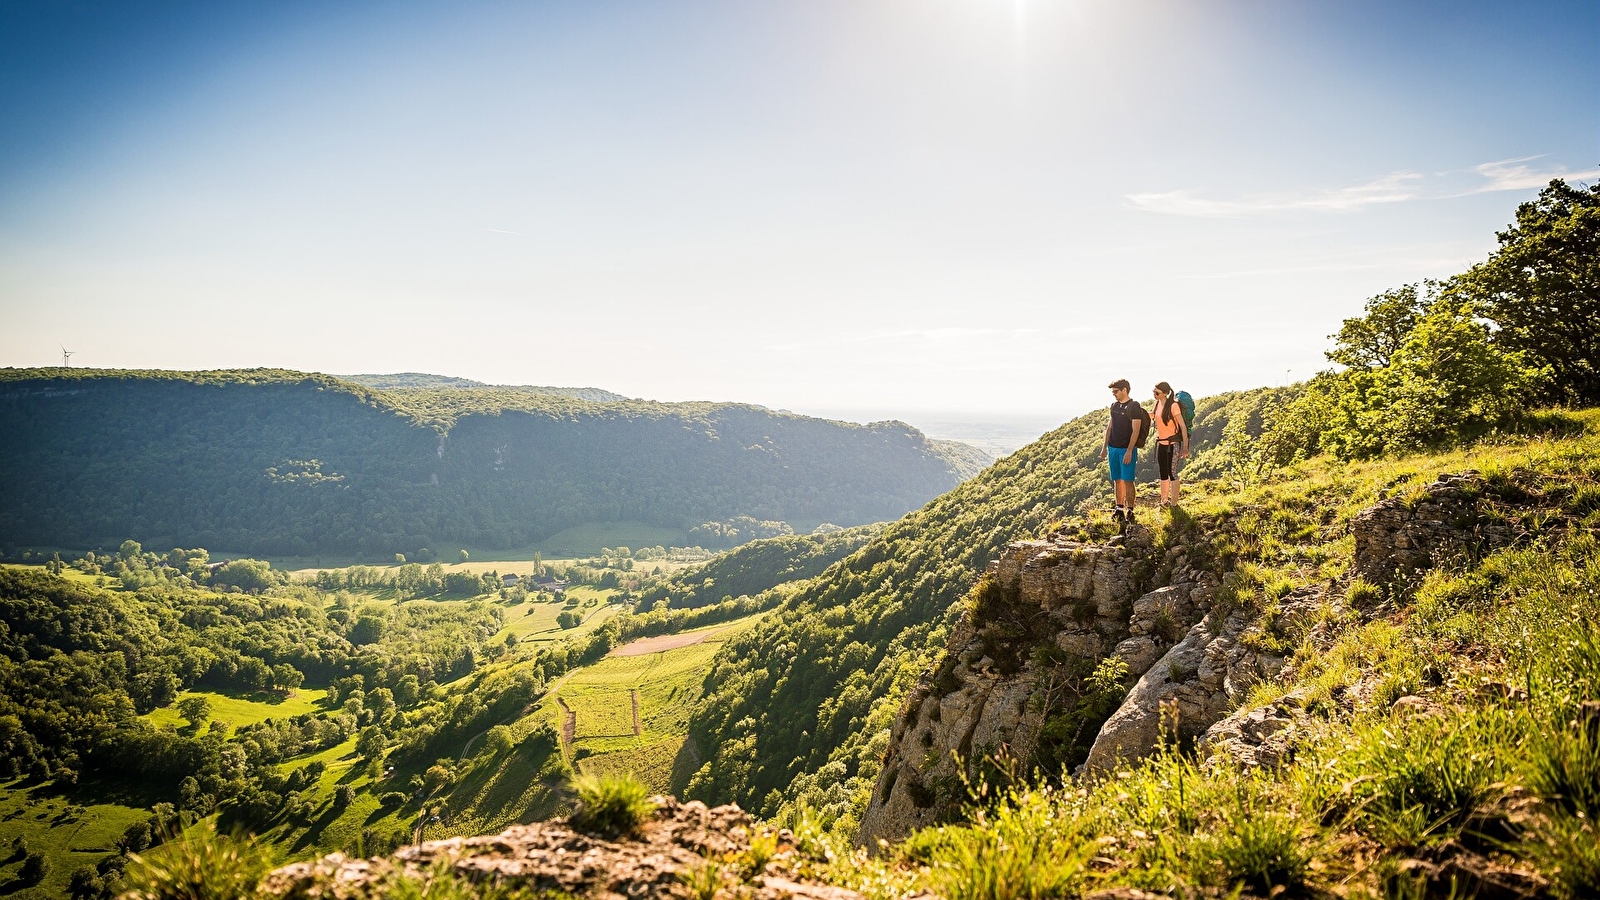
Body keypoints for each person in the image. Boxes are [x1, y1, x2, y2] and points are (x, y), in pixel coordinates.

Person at [1098, 379, 1147, 527]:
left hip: (1126, 449)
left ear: (1124, 390)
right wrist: (1104, 447)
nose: (1114, 394)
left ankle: (1130, 510)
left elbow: (1136, 430)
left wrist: (1130, 451)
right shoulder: (1114, 406)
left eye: (1116, 391)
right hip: (1113, 448)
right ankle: (1119, 508)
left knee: (1128, 480)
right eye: (1113, 392)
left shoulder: (1134, 407)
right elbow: (1110, 427)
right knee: (1117, 479)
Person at [1152, 381, 1189, 507]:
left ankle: (1174, 504)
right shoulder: (1157, 404)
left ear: (1165, 393)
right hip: (1162, 444)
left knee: (1172, 473)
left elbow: (1183, 427)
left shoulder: (1173, 406)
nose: (1154, 394)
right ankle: (1164, 501)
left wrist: (1185, 447)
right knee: (1163, 473)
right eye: (1153, 391)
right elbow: (1153, 416)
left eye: (1157, 392)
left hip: (1173, 444)